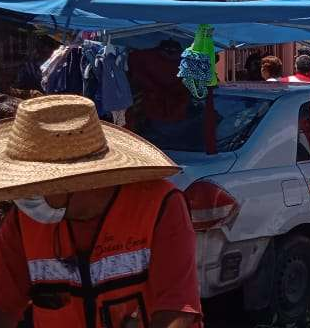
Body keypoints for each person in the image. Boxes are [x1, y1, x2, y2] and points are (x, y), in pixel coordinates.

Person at [0, 95, 202, 328]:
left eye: (36, 186)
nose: (24, 196)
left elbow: (176, 311)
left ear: (75, 181)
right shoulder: (22, 222)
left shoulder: (159, 205)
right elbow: (4, 305)